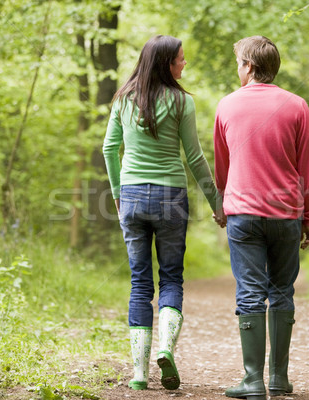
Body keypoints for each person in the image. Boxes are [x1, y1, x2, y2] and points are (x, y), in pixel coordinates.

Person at [102, 35, 221, 391]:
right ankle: (166, 348)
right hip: (171, 196)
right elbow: (195, 158)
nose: (184, 65)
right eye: (180, 60)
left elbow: (110, 149)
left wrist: (118, 195)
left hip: (134, 197)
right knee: (171, 278)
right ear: (166, 63)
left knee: (140, 284)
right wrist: (218, 203)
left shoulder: (123, 98)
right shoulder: (182, 101)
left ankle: (139, 374)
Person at [213, 36, 309, 400]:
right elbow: (307, 168)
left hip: (242, 213)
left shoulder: (226, 106)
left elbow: (222, 168)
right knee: (281, 291)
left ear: (249, 66)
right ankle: (278, 378)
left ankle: (253, 380)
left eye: (239, 62)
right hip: (287, 213)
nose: (237, 68)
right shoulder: (297, 106)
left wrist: (221, 205)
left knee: (250, 293)